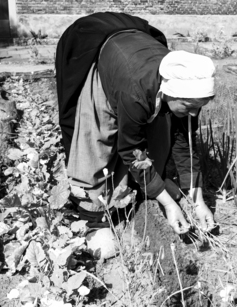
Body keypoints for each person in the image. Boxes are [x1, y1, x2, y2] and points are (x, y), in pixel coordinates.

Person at [56, 12, 215, 235]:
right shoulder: (135, 92)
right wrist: (170, 205)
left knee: (161, 134)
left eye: (199, 106)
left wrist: (198, 202)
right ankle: (93, 211)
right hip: (103, 51)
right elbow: (131, 148)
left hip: (137, 52)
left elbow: (185, 144)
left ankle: (139, 186)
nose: (195, 112)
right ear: (171, 93)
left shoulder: (189, 95)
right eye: (189, 106)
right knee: (100, 137)